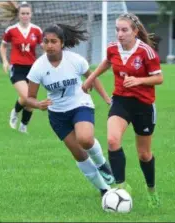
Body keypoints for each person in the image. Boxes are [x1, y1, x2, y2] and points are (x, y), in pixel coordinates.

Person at [82, 13, 163, 207]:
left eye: (124, 30)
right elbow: (107, 62)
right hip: (121, 101)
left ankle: (151, 190)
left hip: (143, 105)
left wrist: (139, 80)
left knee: (144, 154)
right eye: (117, 29)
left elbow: (159, 78)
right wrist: (91, 78)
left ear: (135, 31)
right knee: (112, 140)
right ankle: (121, 187)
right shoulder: (112, 48)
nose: (120, 34)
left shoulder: (146, 52)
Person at [25, 23, 115, 196]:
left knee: (86, 140)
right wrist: (38, 104)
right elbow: (29, 97)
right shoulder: (38, 67)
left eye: (53, 41)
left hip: (80, 105)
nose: (49, 45)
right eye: (46, 41)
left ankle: (102, 165)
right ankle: (104, 189)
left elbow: (93, 78)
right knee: (79, 154)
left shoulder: (75, 60)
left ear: (62, 43)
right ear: (42, 44)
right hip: (58, 115)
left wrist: (105, 97)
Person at [0, 1, 42, 133]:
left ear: (31, 14)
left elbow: (44, 46)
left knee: (29, 99)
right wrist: (5, 61)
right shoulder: (11, 30)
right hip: (17, 68)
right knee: (28, 98)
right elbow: (3, 46)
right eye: (23, 13)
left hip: (33, 69)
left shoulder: (37, 30)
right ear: (18, 15)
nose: (25, 16)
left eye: (27, 13)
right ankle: (15, 112)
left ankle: (23, 126)